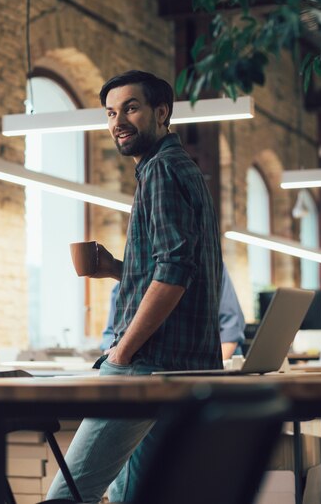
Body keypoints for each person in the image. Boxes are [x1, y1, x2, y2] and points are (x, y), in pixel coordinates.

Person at [46, 70, 223, 502]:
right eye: (110, 112)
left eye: (130, 108)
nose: (117, 121)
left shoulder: (160, 170)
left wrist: (123, 351)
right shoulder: (184, 169)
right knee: (139, 495)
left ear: (161, 112)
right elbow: (177, 267)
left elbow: (175, 272)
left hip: (146, 362)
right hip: (187, 362)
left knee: (68, 494)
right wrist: (116, 269)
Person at [101, 265, 246, 360]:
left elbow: (230, 330)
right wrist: (116, 356)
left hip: (212, 366)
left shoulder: (211, 270)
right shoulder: (121, 287)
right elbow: (110, 335)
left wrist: (214, 370)